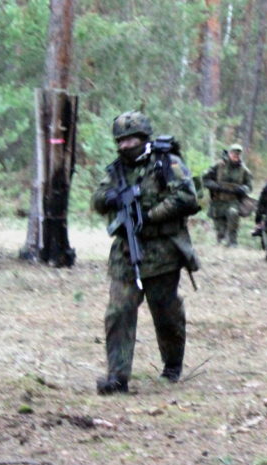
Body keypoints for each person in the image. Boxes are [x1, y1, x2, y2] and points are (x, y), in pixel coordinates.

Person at [91, 111, 201, 395]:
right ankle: (117, 377)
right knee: (118, 312)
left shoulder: (167, 163)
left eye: (132, 139)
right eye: (121, 140)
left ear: (144, 137)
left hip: (163, 252)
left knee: (165, 313)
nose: (126, 145)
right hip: (126, 252)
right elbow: (98, 199)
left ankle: (172, 365)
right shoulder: (116, 170)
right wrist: (111, 197)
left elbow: (188, 197)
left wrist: (151, 215)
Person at [203, 143, 253, 246]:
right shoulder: (218, 165)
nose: (236, 155)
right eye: (234, 153)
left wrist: (243, 189)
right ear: (229, 153)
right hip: (218, 201)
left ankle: (232, 242)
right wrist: (215, 186)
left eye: (238, 154)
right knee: (220, 229)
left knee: (233, 213)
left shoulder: (244, 170)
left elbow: (249, 186)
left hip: (233, 201)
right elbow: (205, 179)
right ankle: (220, 243)